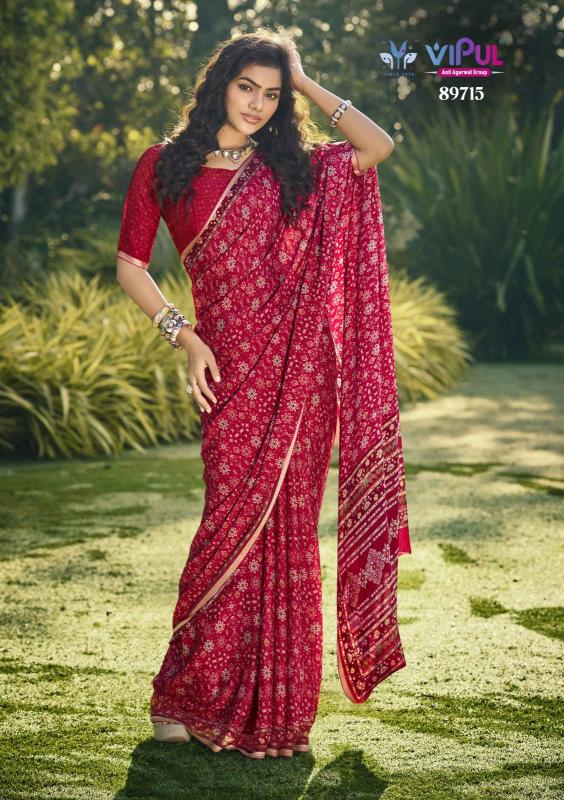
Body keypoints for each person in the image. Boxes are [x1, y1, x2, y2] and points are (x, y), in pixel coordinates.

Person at [116, 29, 412, 760]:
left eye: (271, 94)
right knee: (225, 524)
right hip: (227, 372)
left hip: (302, 377)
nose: (256, 104)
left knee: (290, 534)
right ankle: (186, 695)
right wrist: (184, 336)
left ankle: (276, 709)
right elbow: (130, 265)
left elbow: (377, 145)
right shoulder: (164, 164)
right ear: (220, 83)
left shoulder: (295, 167)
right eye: (247, 86)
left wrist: (304, 82)